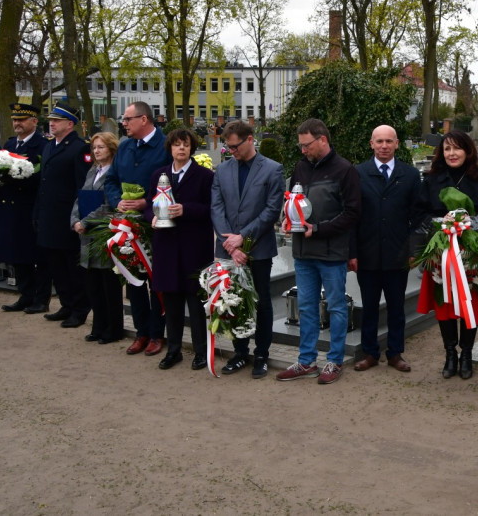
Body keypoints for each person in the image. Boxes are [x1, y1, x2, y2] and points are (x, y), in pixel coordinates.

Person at [275, 118, 360, 385]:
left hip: (332, 252)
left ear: (322, 139)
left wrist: (319, 229)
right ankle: (306, 361)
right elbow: (294, 204)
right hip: (303, 252)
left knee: (335, 307)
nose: (303, 150)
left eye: (306, 145)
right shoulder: (301, 168)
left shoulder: (345, 170)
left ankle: (334, 361)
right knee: (307, 307)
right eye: (300, 145)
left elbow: (353, 213)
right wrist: (288, 222)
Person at [416, 130, 478, 380]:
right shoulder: (431, 179)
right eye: (446, 149)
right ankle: (450, 353)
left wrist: (470, 221)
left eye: (457, 148)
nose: (452, 154)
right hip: (442, 251)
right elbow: (419, 213)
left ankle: (466, 354)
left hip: (473, 251)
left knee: (469, 303)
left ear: (468, 150)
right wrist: (441, 223)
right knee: (445, 304)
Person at [211, 120, 285, 378]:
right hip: (228, 249)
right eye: (228, 147)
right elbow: (216, 209)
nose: (231, 151)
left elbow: (271, 210)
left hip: (258, 248)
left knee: (262, 301)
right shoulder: (222, 171)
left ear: (250, 139)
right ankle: (240, 352)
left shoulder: (273, 169)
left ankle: (261, 354)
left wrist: (243, 237)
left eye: (235, 146)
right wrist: (230, 245)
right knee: (232, 300)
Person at [350, 125, 422, 373]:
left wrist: (414, 250)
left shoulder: (410, 175)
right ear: (371, 143)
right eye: (379, 141)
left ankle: (395, 352)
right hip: (367, 254)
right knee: (369, 306)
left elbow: (418, 217)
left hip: (397, 254)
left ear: (397, 144)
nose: (384, 146)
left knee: (396, 307)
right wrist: (352, 252)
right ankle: (370, 353)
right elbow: (352, 216)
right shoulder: (358, 173)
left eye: (388, 141)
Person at [105, 101, 171, 356]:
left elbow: (171, 182)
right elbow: (111, 180)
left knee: (157, 281)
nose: (124, 123)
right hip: (126, 224)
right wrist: (117, 200)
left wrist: (147, 202)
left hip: (154, 223)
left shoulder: (164, 146)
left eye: (128, 119)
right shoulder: (125, 147)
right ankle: (141, 331)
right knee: (133, 281)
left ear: (144, 119)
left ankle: (157, 334)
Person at [148, 129, 214, 371]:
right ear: (170, 148)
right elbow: (149, 204)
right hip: (166, 248)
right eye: (176, 145)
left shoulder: (205, 176)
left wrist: (187, 209)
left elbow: (211, 210)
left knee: (196, 304)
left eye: (185, 144)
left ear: (191, 148)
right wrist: (151, 218)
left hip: (193, 247)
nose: (181, 149)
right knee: (172, 303)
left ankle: (200, 351)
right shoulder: (159, 174)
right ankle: (173, 349)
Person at [35, 103, 92, 328]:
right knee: (56, 265)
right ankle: (66, 304)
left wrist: (80, 218)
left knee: (72, 267)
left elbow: (83, 186)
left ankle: (79, 309)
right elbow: (44, 184)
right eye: (51, 120)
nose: (52, 123)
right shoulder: (49, 147)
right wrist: (37, 212)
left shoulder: (79, 148)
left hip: (68, 218)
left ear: (70, 124)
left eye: (57, 120)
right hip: (49, 216)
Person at [71, 132, 124, 344]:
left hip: (103, 233)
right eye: (94, 147)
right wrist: (75, 220)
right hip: (86, 236)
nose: (96, 151)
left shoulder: (114, 173)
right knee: (93, 285)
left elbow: (108, 205)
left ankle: (113, 328)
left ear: (111, 148)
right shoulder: (93, 170)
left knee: (108, 285)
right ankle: (98, 326)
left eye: (101, 147)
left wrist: (85, 222)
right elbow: (80, 197)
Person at [0, 103, 51, 314]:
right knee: (18, 255)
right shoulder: (10, 144)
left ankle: (41, 298)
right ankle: (25, 295)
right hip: (12, 209)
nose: (17, 123)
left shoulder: (42, 145)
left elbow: (42, 178)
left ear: (34, 122)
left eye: (22, 119)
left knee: (38, 257)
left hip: (31, 207)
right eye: (14, 120)